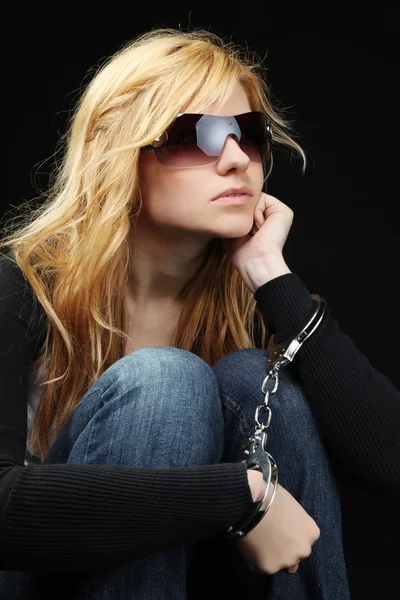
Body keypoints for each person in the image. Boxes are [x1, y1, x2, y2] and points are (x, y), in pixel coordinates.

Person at [0, 27, 398, 600]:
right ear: (122, 156)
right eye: (200, 137)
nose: (236, 159)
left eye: (248, 134)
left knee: (253, 378)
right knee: (164, 379)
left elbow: (389, 462)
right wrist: (243, 494)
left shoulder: (251, 306)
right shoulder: (23, 291)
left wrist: (271, 275)